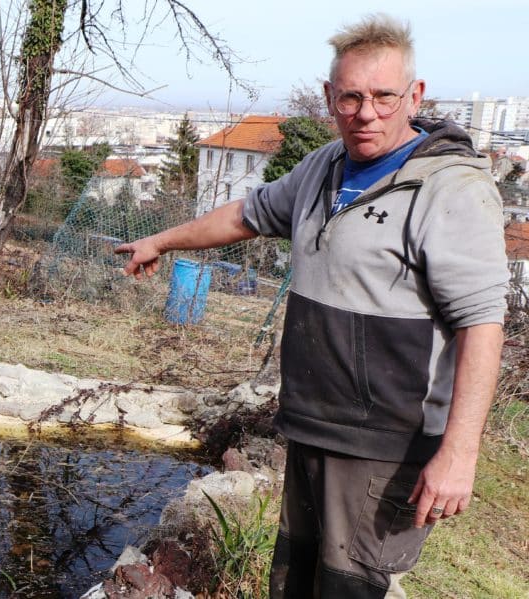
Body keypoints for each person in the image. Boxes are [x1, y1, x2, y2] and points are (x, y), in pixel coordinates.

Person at [115, 14, 508, 599]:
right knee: (293, 579)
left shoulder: (449, 188)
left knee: (350, 587)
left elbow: (482, 324)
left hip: (383, 444)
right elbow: (246, 214)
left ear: (415, 95)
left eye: (383, 96)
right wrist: (161, 240)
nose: (366, 112)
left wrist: (459, 453)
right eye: (350, 97)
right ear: (330, 97)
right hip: (311, 425)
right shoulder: (323, 167)